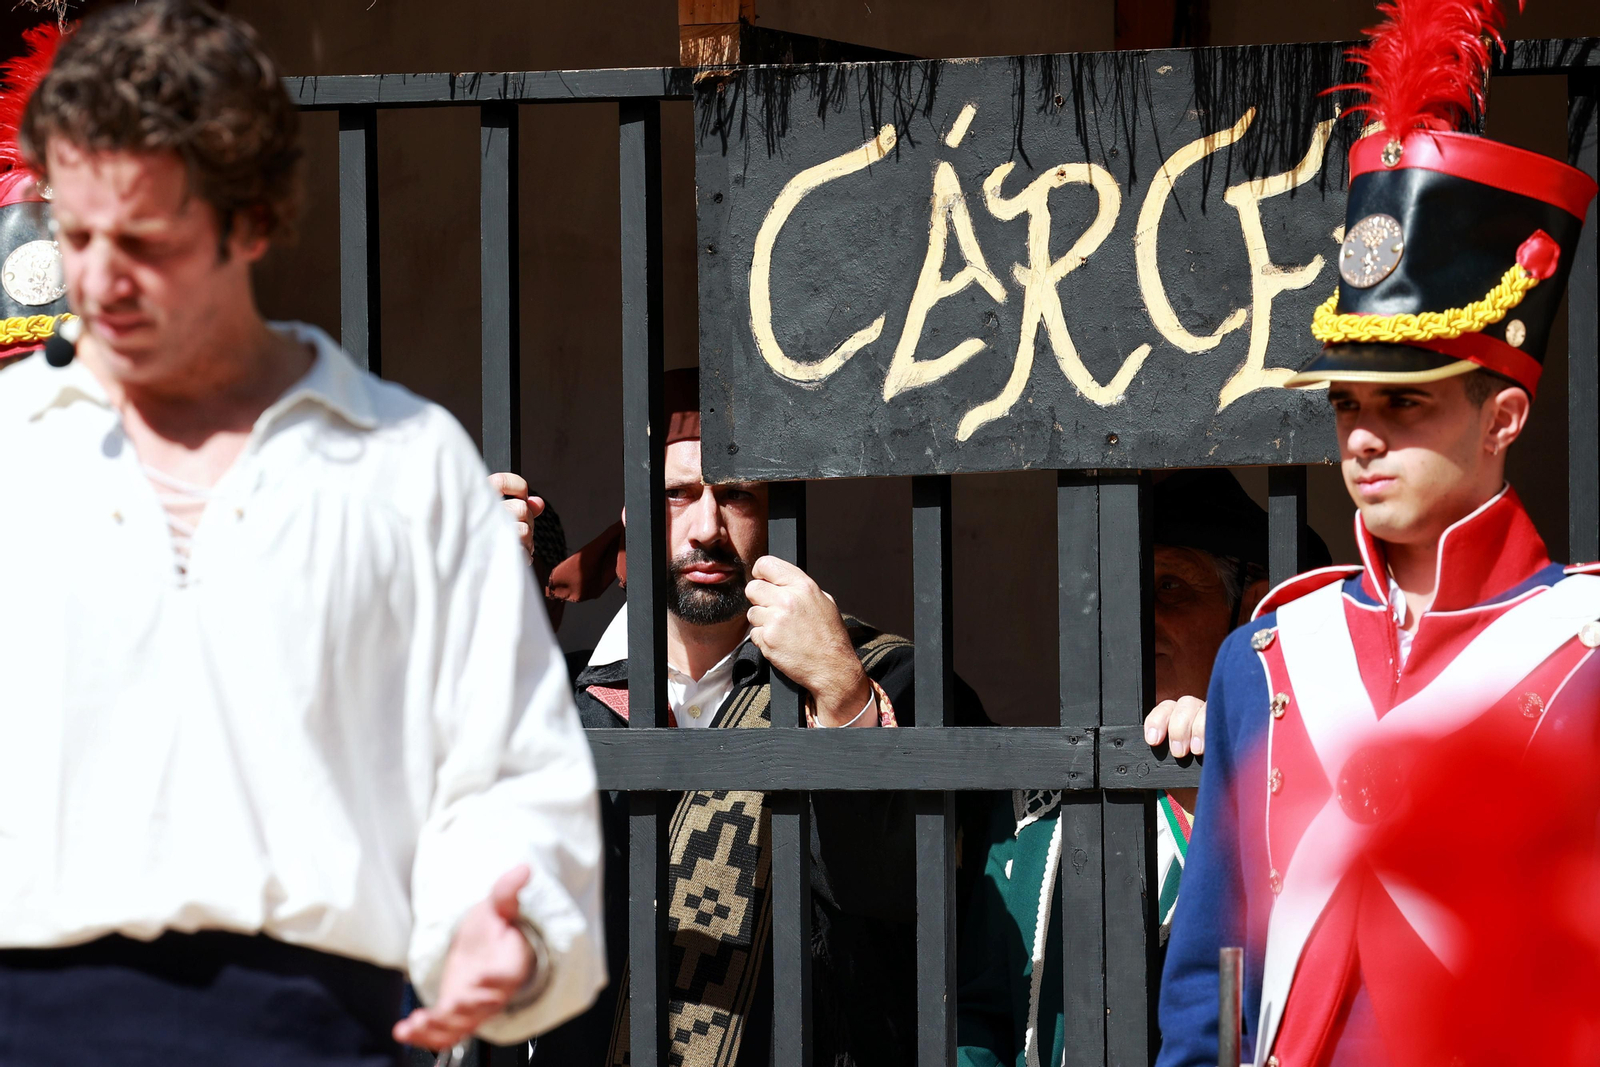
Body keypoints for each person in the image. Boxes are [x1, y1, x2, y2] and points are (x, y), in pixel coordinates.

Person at [0, 3, 605, 1062]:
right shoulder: (12, 456)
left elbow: (507, 778)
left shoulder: (403, 463)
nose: (98, 281)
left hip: (318, 1032)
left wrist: (504, 929)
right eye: (78, 234)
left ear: (252, 220)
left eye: (144, 236)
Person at [1155, 0, 1600, 1061]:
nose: (1362, 438)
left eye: (1407, 406)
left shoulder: (1586, 650)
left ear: (1503, 416)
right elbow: (1211, 973)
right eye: (1349, 404)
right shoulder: (1265, 659)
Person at [525, 367, 989, 1067]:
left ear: (777, 511)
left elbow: (906, 896)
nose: (705, 527)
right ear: (633, 518)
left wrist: (840, 693)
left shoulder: (892, 678)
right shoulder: (551, 698)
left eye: (735, 495)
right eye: (677, 495)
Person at [953, 469, 1328, 1067]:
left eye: (1172, 587)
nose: (1137, 617)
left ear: (1252, 615)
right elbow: (979, 1020)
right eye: (1123, 591)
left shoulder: (1317, 791)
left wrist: (1221, 789)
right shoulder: (1038, 801)